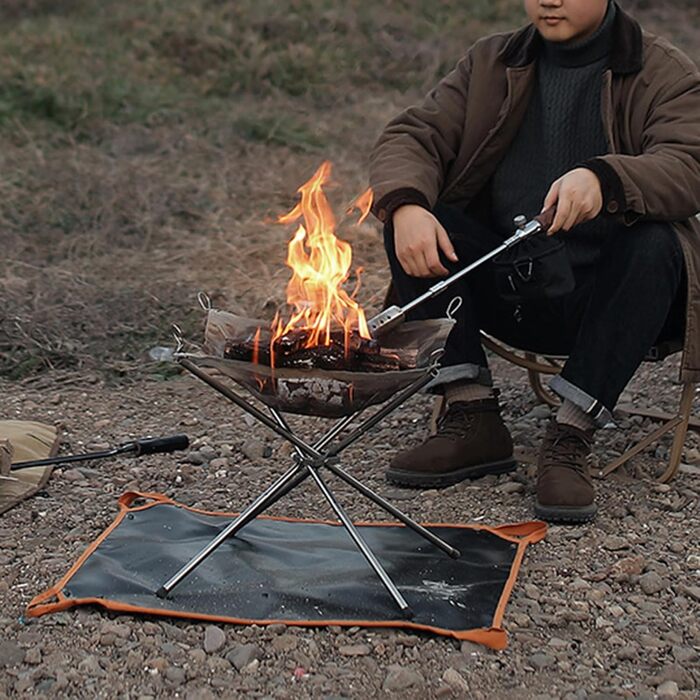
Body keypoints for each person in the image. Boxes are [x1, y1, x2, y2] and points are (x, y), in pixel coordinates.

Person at [369, 0, 700, 523]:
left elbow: (689, 162)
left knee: (657, 242)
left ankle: (571, 434)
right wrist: (405, 204)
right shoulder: (491, 62)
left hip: (612, 300)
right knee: (414, 215)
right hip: (509, 284)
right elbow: (413, 136)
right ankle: (471, 413)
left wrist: (605, 178)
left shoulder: (662, 70)